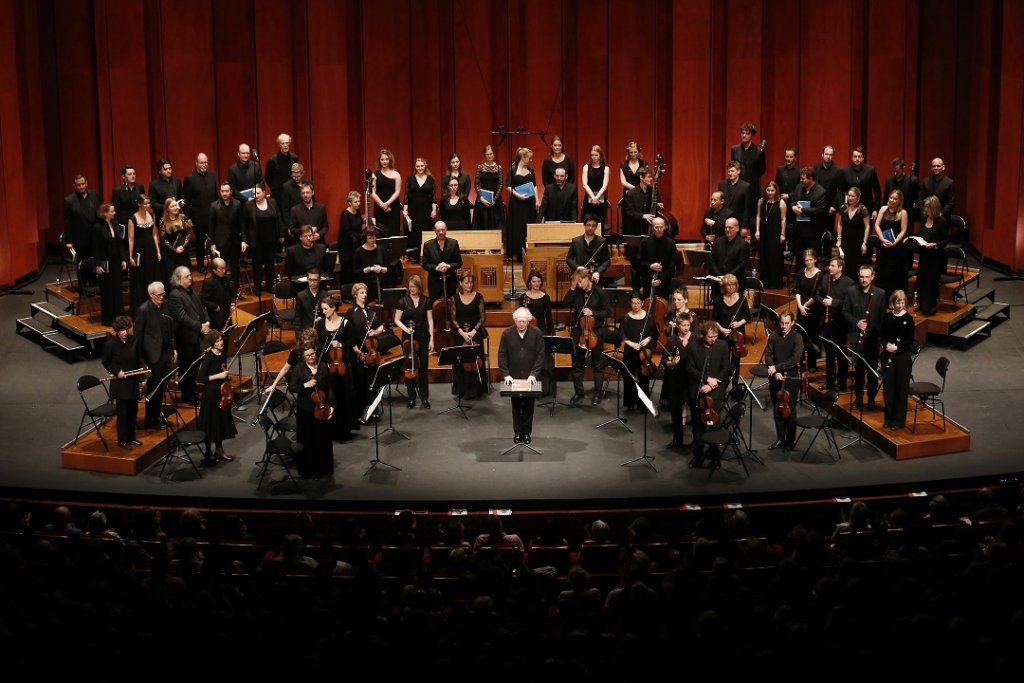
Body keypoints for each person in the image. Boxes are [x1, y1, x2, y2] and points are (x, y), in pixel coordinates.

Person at [686, 320, 732, 467]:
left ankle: (714, 455)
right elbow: (690, 369)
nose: (713, 339)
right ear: (702, 335)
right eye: (710, 337)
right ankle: (698, 456)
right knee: (698, 426)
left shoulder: (722, 345)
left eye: (715, 336)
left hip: (716, 390)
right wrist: (706, 379)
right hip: (698, 390)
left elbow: (726, 368)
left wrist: (713, 383)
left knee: (714, 424)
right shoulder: (693, 346)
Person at [562, 268, 610, 405]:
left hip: (596, 332)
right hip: (579, 331)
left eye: (580, 281)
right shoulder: (577, 292)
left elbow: (607, 312)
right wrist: (572, 288)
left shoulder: (600, 292)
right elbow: (565, 303)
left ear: (587, 278)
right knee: (577, 362)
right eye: (576, 282)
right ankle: (579, 392)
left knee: (597, 363)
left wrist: (593, 312)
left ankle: (597, 393)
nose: (579, 285)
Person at [498, 307, 546, 444]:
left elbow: (541, 355)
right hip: (513, 377)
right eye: (519, 321)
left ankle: (526, 433)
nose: (521, 324)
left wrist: (534, 374)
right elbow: (502, 354)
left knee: (529, 406)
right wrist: (506, 374)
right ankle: (517, 432)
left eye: (524, 322)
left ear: (529, 321)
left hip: (530, 377)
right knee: (516, 405)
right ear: (514, 320)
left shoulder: (537, 333)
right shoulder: (507, 334)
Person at [287, 344, 334, 478]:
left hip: (322, 408)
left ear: (316, 353)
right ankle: (309, 470)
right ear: (303, 356)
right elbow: (292, 388)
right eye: (307, 355)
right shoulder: (299, 369)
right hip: (306, 410)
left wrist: (332, 406)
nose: (311, 357)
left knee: (323, 439)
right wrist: (305, 385)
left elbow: (329, 387)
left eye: (312, 354)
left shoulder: (323, 366)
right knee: (309, 441)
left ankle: (324, 469)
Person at [842, 265, 886, 411]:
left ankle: (871, 399)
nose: (864, 280)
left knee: (872, 371)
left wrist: (881, 340)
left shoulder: (880, 294)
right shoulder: (851, 291)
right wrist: (857, 323)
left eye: (867, 277)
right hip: (856, 337)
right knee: (858, 371)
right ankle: (858, 398)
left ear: (872, 277)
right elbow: (845, 312)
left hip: (872, 340)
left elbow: (882, 319)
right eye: (861, 276)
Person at [134, 281, 176, 429]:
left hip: (165, 353)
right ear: (151, 295)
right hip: (152, 357)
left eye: (163, 294)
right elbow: (138, 340)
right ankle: (150, 420)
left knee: (162, 386)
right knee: (153, 390)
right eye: (159, 295)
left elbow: (170, 329)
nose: (162, 297)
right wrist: (141, 363)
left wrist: (173, 349)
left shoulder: (165, 305)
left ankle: (157, 415)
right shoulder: (143, 310)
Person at [167, 266, 210, 406]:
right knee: (187, 367)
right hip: (184, 338)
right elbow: (182, 317)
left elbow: (201, 308)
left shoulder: (191, 291)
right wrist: (200, 326)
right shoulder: (175, 295)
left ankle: (193, 392)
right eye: (187, 277)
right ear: (179, 280)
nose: (190, 278)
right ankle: (188, 396)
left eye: (190, 275)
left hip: (195, 335)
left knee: (194, 366)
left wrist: (206, 321)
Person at [315, 294, 356, 441]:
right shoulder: (320, 324)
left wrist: (341, 345)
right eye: (322, 309)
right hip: (327, 366)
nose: (323, 312)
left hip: (342, 366)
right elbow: (318, 344)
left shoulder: (345, 323)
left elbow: (352, 341)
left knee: (343, 397)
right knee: (330, 398)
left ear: (333, 308)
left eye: (326, 309)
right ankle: (330, 430)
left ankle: (344, 431)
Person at [195, 329, 237, 464]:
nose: (221, 342)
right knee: (210, 422)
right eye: (217, 341)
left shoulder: (222, 354)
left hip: (221, 392)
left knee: (219, 422)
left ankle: (219, 450)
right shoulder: (208, 357)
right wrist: (218, 376)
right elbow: (200, 378)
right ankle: (208, 451)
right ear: (212, 343)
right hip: (210, 394)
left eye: (221, 340)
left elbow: (222, 368)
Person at [101, 315, 144, 449]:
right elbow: (106, 362)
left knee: (133, 411)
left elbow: (139, 360)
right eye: (122, 330)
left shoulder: (134, 340)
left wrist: (142, 378)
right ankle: (123, 440)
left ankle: (132, 438)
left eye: (126, 329)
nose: (125, 332)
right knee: (123, 413)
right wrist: (117, 372)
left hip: (132, 381)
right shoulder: (110, 345)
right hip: (120, 384)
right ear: (116, 331)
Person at [765, 311, 804, 451]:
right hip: (775, 378)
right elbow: (768, 354)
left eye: (787, 323)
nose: (783, 326)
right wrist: (774, 371)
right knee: (777, 409)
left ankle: (790, 441)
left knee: (789, 410)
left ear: (792, 323)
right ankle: (780, 438)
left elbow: (795, 359)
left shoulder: (797, 337)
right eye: (782, 322)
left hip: (790, 379)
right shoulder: (774, 336)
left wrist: (777, 367)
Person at [395, 275, 434, 409]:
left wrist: (432, 339)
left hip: (423, 336)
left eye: (414, 286)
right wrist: (406, 329)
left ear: (419, 287)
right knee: (409, 366)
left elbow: (430, 321)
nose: (411, 289)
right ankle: (411, 397)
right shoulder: (402, 301)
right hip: (408, 337)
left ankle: (424, 398)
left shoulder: (426, 300)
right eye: (410, 287)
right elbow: (397, 320)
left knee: (423, 366)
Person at [449, 269, 488, 400]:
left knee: (476, 360)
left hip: (475, 333)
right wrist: (461, 332)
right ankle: (462, 389)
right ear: (461, 283)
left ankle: (476, 390)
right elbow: (453, 318)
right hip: (460, 335)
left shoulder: (479, 297)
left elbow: (482, 317)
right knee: (461, 361)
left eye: (471, 282)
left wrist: (473, 332)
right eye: (466, 282)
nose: (469, 285)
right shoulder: (454, 298)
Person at [816, 256, 853, 391]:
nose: (829, 268)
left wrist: (834, 303)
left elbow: (849, 304)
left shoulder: (849, 283)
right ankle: (829, 381)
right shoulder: (825, 279)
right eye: (829, 265)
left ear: (840, 268)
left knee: (841, 354)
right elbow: (817, 295)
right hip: (826, 323)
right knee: (829, 354)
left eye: (832, 266)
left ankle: (842, 382)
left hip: (840, 324)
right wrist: (822, 301)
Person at [880, 290, 915, 430]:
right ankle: (888, 418)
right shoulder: (887, 317)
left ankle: (898, 421)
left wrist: (897, 348)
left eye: (902, 302)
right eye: (897, 302)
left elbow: (910, 341)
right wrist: (886, 345)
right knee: (888, 389)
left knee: (901, 389)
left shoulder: (909, 319)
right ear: (892, 303)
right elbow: (881, 335)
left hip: (902, 358)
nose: (900, 305)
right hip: (887, 356)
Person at [241, 183, 283, 296]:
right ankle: (257, 288)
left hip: (271, 239)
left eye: (258, 193)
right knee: (257, 265)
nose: (256, 195)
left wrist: (281, 235)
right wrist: (244, 239)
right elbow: (244, 224)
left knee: (270, 264)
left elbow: (278, 218)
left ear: (264, 193)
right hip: (256, 241)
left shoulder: (272, 202)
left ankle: (269, 286)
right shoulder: (248, 205)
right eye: (253, 193)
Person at [619, 292, 657, 412]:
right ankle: (630, 403)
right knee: (629, 378)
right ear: (630, 303)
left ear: (642, 303)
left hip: (644, 352)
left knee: (643, 378)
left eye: (638, 303)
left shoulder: (648, 317)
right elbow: (622, 335)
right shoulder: (626, 318)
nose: (635, 306)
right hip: (630, 351)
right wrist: (631, 344)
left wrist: (647, 339)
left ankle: (643, 403)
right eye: (633, 303)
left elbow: (654, 333)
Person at [181, 152, 218, 272]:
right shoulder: (190, 178)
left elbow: (215, 195)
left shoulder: (212, 175)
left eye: (205, 162)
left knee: (214, 240)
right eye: (201, 162)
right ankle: (201, 264)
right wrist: (189, 218)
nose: (204, 165)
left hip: (212, 215)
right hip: (198, 217)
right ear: (196, 163)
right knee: (201, 242)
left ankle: (215, 264)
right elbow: (187, 200)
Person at [520, 269, 554, 396]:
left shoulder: (545, 297)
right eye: (534, 281)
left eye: (538, 281)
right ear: (529, 282)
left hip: (542, 331)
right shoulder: (524, 297)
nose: (536, 284)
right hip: (528, 331)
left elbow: (549, 318)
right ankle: (529, 387)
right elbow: (520, 316)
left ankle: (544, 388)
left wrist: (551, 334)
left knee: (543, 359)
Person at [92, 203, 127, 326]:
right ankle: (108, 319)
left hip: (116, 262)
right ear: (105, 213)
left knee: (117, 289)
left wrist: (123, 259)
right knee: (107, 290)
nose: (115, 213)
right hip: (104, 262)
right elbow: (96, 248)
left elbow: (120, 245)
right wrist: (97, 265)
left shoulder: (115, 224)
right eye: (112, 211)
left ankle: (119, 318)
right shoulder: (97, 227)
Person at [711, 273, 749, 387]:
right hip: (723, 334)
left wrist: (738, 323)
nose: (731, 287)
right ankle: (723, 386)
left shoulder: (742, 299)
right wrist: (721, 329)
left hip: (738, 335)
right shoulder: (718, 300)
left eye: (733, 285)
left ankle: (734, 386)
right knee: (724, 360)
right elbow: (714, 320)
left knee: (735, 361)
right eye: (728, 285)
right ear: (724, 286)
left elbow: (747, 317)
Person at [662, 311, 694, 448]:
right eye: (683, 325)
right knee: (675, 409)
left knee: (694, 408)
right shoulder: (672, 340)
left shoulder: (696, 339)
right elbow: (665, 360)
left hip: (691, 379)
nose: (686, 328)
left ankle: (697, 439)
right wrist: (672, 363)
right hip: (675, 379)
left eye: (688, 325)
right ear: (678, 325)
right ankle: (677, 438)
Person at [914, 195, 949, 315]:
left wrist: (935, 244)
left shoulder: (941, 221)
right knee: (921, 279)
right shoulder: (924, 218)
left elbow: (945, 240)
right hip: (924, 254)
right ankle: (920, 302)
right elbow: (921, 233)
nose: (925, 209)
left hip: (935, 256)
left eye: (927, 207)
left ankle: (930, 305)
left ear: (933, 208)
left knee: (931, 281)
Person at [127, 194, 162, 314]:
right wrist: (130, 256)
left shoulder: (152, 215)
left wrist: (157, 250)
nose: (148, 206)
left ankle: (154, 304)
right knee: (140, 278)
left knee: (152, 275)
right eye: (145, 204)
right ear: (139, 204)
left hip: (151, 250)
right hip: (139, 251)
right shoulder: (132, 219)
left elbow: (154, 234)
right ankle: (141, 308)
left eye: (148, 203)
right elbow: (131, 239)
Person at [873, 189, 909, 296]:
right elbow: (877, 225)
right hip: (883, 246)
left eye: (895, 199)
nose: (892, 200)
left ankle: (893, 298)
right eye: (891, 198)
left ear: (899, 201)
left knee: (894, 275)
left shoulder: (903, 213)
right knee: (881, 273)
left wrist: (895, 243)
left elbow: (903, 230)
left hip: (896, 248)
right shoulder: (883, 209)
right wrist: (882, 239)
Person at [790, 166, 831, 262]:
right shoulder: (798, 187)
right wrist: (793, 207)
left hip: (813, 233)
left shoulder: (821, 192)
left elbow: (821, 210)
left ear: (811, 179)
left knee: (811, 258)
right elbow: (792, 200)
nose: (801, 180)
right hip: (799, 230)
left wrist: (803, 209)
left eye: (803, 179)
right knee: (799, 258)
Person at [207, 181, 243, 285]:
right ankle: (220, 291)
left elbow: (241, 223)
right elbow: (211, 227)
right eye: (222, 191)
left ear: (231, 191)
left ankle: (234, 291)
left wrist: (244, 239)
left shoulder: (237, 204)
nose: (224, 193)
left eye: (226, 191)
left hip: (234, 242)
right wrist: (212, 244)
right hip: (219, 243)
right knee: (219, 269)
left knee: (235, 269)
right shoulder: (214, 206)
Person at [506, 147, 539, 261]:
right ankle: (516, 253)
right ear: (523, 157)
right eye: (529, 158)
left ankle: (528, 252)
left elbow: (535, 185)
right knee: (517, 227)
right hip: (517, 203)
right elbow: (508, 186)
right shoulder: (513, 169)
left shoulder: (531, 169)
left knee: (527, 226)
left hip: (529, 203)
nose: (531, 160)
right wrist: (518, 196)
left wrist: (537, 200)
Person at [754, 181, 787, 288]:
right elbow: (758, 216)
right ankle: (764, 281)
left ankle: (775, 283)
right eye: (768, 190)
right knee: (764, 256)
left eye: (772, 190)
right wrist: (757, 230)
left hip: (776, 233)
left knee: (775, 257)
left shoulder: (781, 203)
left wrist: (782, 234)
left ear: (776, 191)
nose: (770, 192)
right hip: (764, 232)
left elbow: (783, 219)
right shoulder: (761, 202)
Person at [403, 158, 437, 258]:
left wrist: (434, 210)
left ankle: (427, 255)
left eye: (422, 166)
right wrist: (405, 210)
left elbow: (433, 197)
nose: (420, 168)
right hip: (413, 209)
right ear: (415, 167)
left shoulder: (431, 179)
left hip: (427, 209)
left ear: (425, 166)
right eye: (418, 166)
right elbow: (406, 196)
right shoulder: (410, 179)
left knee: (426, 231)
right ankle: (414, 256)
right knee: (414, 232)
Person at [421, 220, 462, 303]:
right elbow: (425, 264)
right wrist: (436, 268)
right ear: (434, 231)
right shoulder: (428, 245)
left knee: (451, 306)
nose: (441, 232)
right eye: (438, 230)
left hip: (450, 281)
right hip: (434, 282)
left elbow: (459, 262)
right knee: (435, 306)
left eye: (443, 230)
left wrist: (448, 266)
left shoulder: (453, 243)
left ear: (446, 229)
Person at [834, 147, 881, 219]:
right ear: (852, 158)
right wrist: (840, 206)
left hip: (867, 208)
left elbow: (877, 191)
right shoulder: (844, 171)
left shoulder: (870, 170)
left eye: (859, 156)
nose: (857, 159)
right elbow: (840, 190)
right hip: (850, 209)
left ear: (863, 158)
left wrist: (876, 209)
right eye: (855, 156)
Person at [794, 249, 822, 370]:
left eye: (811, 260)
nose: (809, 262)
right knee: (801, 334)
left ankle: (812, 363)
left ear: (815, 260)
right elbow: (798, 291)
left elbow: (818, 294)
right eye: (806, 260)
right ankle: (802, 361)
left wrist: (806, 305)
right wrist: (800, 306)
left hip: (813, 308)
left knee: (812, 335)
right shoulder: (801, 272)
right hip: (801, 308)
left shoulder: (820, 274)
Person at [835, 187, 871, 279]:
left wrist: (864, 243)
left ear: (858, 197)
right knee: (845, 263)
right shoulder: (843, 208)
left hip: (858, 241)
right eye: (849, 196)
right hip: (846, 240)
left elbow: (867, 227)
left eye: (853, 196)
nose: (850, 198)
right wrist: (839, 239)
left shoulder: (863, 209)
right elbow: (840, 224)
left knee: (856, 264)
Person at [64, 174, 101, 261]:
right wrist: (69, 241)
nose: (81, 187)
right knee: (82, 264)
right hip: (80, 238)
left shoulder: (94, 194)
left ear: (86, 183)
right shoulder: (69, 200)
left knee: (97, 263)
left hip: (95, 236)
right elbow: (67, 222)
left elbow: (100, 213)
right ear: (74, 186)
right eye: (78, 185)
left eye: (83, 184)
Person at [637, 216, 677, 298]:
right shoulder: (645, 242)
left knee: (662, 307)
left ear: (665, 227)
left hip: (664, 283)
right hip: (648, 281)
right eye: (656, 227)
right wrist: (650, 266)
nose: (659, 229)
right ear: (652, 228)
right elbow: (639, 262)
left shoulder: (671, 244)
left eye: (661, 227)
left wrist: (661, 280)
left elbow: (672, 266)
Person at [709, 217, 749, 292]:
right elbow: (712, 260)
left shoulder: (743, 244)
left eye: (730, 227)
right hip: (718, 280)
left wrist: (727, 277)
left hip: (735, 281)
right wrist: (719, 275)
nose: (727, 230)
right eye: (726, 227)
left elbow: (742, 264)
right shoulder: (718, 241)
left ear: (737, 228)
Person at [565, 215, 610, 282]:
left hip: (595, 278)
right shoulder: (576, 241)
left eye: (593, 226)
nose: (590, 228)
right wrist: (577, 267)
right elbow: (568, 259)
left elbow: (607, 261)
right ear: (584, 225)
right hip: (580, 277)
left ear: (596, 227)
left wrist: (598, 272)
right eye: (588, 225)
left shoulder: (602, 241)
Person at [335, 190, 365, 284]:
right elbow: (347, 232)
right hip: (346, 246)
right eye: (355, 202)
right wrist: (361, 235)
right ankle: (345, 290)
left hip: (356, 243)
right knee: (347, 269)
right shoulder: (345, 214)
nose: (358, 203)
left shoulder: (358, 211)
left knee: (355, 267)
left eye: (359, 201)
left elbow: (358, 223)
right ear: (349, 203)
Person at [472, 144, 505, 230]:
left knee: (496, 225)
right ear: (484, 155)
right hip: (482, 200)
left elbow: (501, 184)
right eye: (487, 154)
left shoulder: (499, 168)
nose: (489, 156)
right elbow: (477, 184)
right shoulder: (480, 167)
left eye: (491, 153)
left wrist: (494, 200)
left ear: (494, 154)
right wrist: (482, 198)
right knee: (482, 224)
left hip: (495, 201)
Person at [264, 133, 299, 211]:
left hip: (292, 192)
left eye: (287, 143)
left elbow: (298, 174)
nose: (285, 145)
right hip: (278, 194)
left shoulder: (294, 158)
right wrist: (275, 187)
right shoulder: (272, 160)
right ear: (279, 145)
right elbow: (268, 178)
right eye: (283, 143)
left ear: (289, 144)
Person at [159, 197, 191, 281]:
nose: (175, 208)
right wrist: (174, 249)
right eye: (172, 206)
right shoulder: (162, 221)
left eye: (176, 205)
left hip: (183, 250)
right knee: (173, 276)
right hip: (170, 253)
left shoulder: (183, 217)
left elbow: (188, 234)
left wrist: (183, 246)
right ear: (167, 209)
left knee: (185, 275)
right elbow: (163, 239)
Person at [371, 149, 402, 236]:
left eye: (386, 159)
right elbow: (372, 192)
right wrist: (382, 204)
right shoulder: (374, 175)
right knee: (381, 231)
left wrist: (387, 203)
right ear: (379, 161)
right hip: (379, 205)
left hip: (393, 205)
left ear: (390, 160)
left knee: (393, 230)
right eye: (382, 159)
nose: (384, 161)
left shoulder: (396, 174)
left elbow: (397, 191)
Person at [718, 161, 754, 234]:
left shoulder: (746, 186)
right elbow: (719, 204)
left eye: (732, 171)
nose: (730, 173)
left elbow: (747, 208)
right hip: (724, 222)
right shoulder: (722, 185)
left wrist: (744, 226)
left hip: (738, 222)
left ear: (738, 171)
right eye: (729, 171)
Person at [200, 257, 235, 331]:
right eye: (221, 269)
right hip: (216, 316)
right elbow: (202, 299)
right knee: (220, 336)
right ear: (214, 269)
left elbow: (232, 293)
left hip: (227, 313)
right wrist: (214, 306)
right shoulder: (209, 282)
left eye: (224, 268)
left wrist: (232, 302)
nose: (224, 271)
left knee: (229, 333)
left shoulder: (226, 279)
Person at [353, 226, 390, 294]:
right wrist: (369, 269)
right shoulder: (359, 251)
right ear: (365, 238)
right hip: (365, 285)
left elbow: (387, 268)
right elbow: (355, 271)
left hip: (380, 283)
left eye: (374, 237)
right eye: (369, 238)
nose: (372, 240)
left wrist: (381, 268)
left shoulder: (381, 249)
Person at [580, 145, 610, 226]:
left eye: (596, 155)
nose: (594, 157)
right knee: (587, 222)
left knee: (600, 223)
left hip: (600, 199)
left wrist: (597, 197)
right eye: (592, 155)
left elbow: (605, 185)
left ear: (600, 155)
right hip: (589, 198)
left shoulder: (605, 168)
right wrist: (593, 197)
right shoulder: (586, 167)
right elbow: (585, 184)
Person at [884, 157, 920, 226]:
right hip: (892, 215)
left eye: (897, 171)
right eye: (893, 171)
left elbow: (922, 194)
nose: (895, 173)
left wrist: (916, 202)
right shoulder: (889, 180)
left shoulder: (912, 180)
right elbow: (886, 197)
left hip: (907, 214)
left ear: (903, 167)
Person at [293, 267, 328, 336]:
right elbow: (297, 319)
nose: (312, 282)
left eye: (315, 280)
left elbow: (329, 316)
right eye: (310, 280)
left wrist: (322, 320)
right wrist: (299, 337)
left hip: (321, 332)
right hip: (305, 333)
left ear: (319, 279)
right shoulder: (301, 296)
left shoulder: (325, 295)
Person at [111, 164, 144, 238]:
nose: (133, 176)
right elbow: (115, 209)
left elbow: (142, 204)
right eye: (129, 174)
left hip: (138, 222)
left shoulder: (140, 187)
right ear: (123, 176)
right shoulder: (117, 190)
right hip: (124, 223)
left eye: (134, 174)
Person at [731, 122, 766, 187]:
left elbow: (762, 169)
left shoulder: (759, 151)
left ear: (752, 136)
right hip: (738, 186)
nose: (744, 135)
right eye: (742, 133)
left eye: (747, 134)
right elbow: (733, 166)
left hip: (752, 186)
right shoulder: (734, 149)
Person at [148, 159, 182, 223]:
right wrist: (167, 207)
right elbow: (153, 203)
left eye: (170, 168)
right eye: (165, 169)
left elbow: (182, 196)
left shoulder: (177, 180)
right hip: (163, 217)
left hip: (177, 216)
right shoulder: (153, 184)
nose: (169, 171)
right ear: (159, 171)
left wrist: (182, 202)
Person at [812, 145, 841, 214]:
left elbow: (839, 190)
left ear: (833, 156)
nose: (828, 157)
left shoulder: (838, 170)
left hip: (830, 206)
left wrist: (834, 206)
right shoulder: (816, 168)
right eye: (826, 154)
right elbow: (813, 186)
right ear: (822, 155)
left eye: (830, 155)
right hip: (817, 205)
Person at [618, 141, 648, 207]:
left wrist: (638, 191)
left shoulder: (644, 164)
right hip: (628, 195)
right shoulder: (624, 165)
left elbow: (646, 179)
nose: (633, 154)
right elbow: (623, 182)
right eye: (631, 152)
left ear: (639, 152)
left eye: (635, 152)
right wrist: (636, 190)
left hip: (641, 195)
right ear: (628, 153)